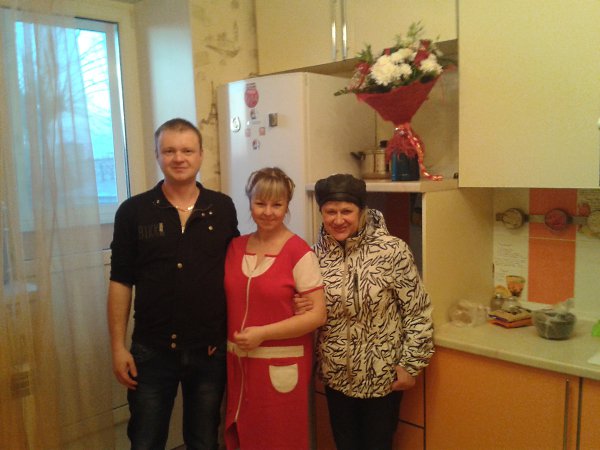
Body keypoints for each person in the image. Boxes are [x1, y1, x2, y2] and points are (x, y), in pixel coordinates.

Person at [107, 118, 239, 450]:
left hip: (209, 351)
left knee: (204, 440)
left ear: (201, 155)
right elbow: (120, 282)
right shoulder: (133, 212)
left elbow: (239, 271)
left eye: (187, 150)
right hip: (151, 351)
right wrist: (118, 347)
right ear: (157, 155)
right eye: (169, 151)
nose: (178, 158)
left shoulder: (222, 207)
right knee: (146, 440)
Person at [312, 173, 434, 450]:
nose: (338, 219)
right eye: (330, 211)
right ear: (321, 212)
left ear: (362, 211)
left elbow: (418, 311)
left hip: (381, 376)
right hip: (336, 376)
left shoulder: (392, 251)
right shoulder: (315, 255)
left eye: (346, 211)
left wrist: (410, 365)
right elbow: (313, 311)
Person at [224, 167, 327, 450]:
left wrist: (262, 333)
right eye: (260, 203)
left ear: (287, 206)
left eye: (277, 205)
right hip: (240, 367)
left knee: (280, 440)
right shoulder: (235, 247)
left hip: (281, 367)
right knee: (244, 437)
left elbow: (317, 314)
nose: (268, 212)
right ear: (249, 202)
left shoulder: (299, 252)